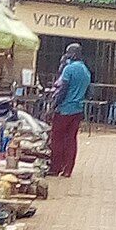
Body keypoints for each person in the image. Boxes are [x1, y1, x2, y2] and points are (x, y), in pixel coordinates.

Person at [47, 44, 92, 178]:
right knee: (71, 140)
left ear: (72, 54)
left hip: (64, 109)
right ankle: (68, 169)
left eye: (67, 53)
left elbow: (63, 90)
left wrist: (53, 106)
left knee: (57, 139)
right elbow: (88, 92)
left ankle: (56, 168)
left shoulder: (69, 69)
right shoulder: (85, 70)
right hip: (77, 110)